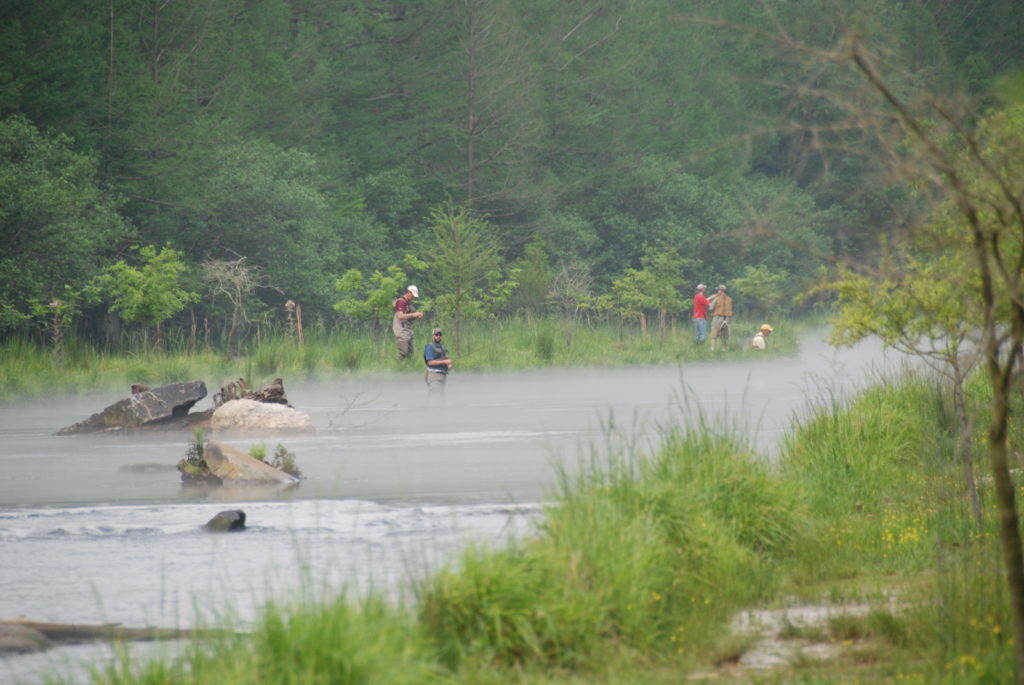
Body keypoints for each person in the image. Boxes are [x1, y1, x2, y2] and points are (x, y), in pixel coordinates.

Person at [392, 285, 423, 360]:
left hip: (408, 330)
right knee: (403, 353)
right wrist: (414, 314)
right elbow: (400, 316)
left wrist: (417, 315)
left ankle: (408, 368)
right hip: (401, 330)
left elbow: (408, 317)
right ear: (409, 293)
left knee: (410, 353)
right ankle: (397, 367)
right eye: (413, 295)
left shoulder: (408, 303)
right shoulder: (401, 302)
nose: (414, 297)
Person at [424, 328, 452, 392]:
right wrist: (444, 361)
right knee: (436, 396)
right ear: (433, 336)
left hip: (443, 376)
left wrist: (448, 365)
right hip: (434, 375)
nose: (438, 336)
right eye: (436, 334)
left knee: (440, 397)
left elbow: (446, 358)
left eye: (440, 334)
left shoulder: (442, 347)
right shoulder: (430, 347)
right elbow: (430, 362)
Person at [708, 284, 733, 351]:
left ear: (720, 291)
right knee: (724, 336)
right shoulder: (729, 299)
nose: (717, 292)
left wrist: (710, 302)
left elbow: (710, 308)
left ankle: (713, 350)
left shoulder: (716, 298)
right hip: (726, 320)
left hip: (717, 319)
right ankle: (724, 349)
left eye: (718, 290)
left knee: (714, 336)